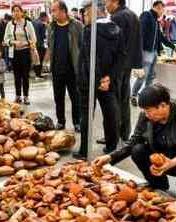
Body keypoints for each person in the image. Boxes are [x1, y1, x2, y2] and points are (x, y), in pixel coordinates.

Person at [94, 85, 176, 205]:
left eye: (148, 110)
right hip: (158, 159)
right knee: (137, 150)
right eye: (144, 110)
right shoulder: (146, 116)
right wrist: (109, 157)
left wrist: (171, 163)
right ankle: (158, 184)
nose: (146, 114)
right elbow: (134, 140)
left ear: (163, 106)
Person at [75, 0, 122, 158]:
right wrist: (108, 78)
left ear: (96, 11)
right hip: (109, 80)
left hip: (89, 80)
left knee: (87, 114)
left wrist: (98, 80)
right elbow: (121, 57)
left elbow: (90, 59)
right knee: (110, 112)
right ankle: (111, 146)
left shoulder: (90, 31)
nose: (84, 16)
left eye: (87, 12)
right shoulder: (116, 29)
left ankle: (84, 150)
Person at [105, 0, 143, 142]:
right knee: (123, 100)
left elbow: (114, 45)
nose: (105, 4)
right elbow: (138, 42)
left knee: (113, 101)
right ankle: (124, 134)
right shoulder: (133, 15)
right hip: (127, 64)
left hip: (117, 66)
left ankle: (113, 136)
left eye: (107, 1)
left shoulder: (117, 17)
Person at [131, 1, 176, 105]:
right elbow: (140, 33)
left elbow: (161, 37)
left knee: (151, 76)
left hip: (153, 52)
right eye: (163, 10)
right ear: (158, 7)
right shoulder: (146, 15)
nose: (163, 13)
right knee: (143, 75)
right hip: (146, 52)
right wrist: (138, 51)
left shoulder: (156, 20)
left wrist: (173, 47)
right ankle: (134, 95)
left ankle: (146, 96)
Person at [47, 0, 83, 130]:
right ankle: (61, 121)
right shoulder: (51, 26)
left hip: (72, 69)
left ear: (63, 11)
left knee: (75, 97)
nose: (52, 13)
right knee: (58, 97)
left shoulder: (76, 25)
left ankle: (77, 122)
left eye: (54, 10)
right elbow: (50, 46)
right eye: (52, 11)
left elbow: (82, 45)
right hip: (57, 69)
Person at [4, 4, 37, 105]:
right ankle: (18, 96)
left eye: (18, 11)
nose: (16, 13)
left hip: (25, 52)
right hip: (14, 53)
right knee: (16, 76)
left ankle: (26, 96)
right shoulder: (9, 24)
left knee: (25, 75)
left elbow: (34, 39)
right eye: (14, 11)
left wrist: (25, 43)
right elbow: (5, 40)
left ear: (22, 12)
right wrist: (13, 42)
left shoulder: (28, 24)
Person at [32, 12, 49, 79]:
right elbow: (43, 36)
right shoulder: (42, 24)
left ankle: (36, 72)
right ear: (44, 17)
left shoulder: (34, 22)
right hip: (40, 44)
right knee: (40, 59)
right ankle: (38, 74)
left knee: (35, 59)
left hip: (34, 44)